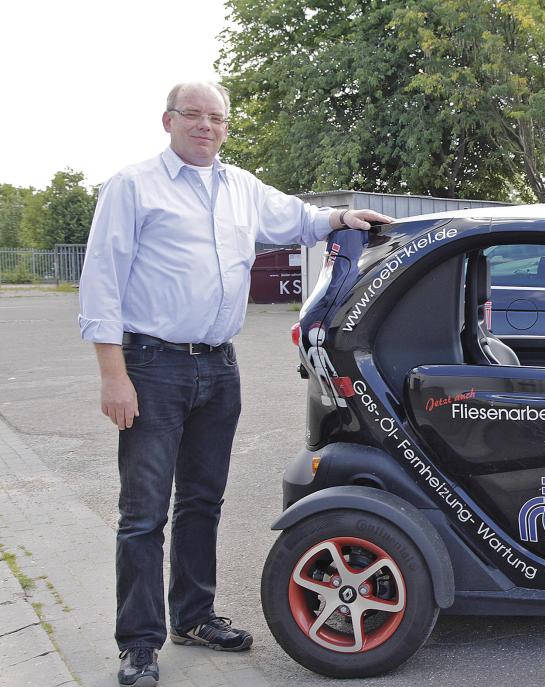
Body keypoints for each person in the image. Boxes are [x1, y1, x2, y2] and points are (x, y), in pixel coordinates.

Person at [78, 80, 392, 687]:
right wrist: (112, 376)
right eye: (192, 115)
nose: (205, 125)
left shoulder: (240, 187)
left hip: (219, 367)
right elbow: (102, 283)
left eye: (216, 118)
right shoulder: (133, 187)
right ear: (167, 120)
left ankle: (194, 616)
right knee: (143, 513)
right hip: (152, 365)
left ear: (225, 126)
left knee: (202, 501)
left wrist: (342, 218)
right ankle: (139, 643)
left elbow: (300, 218)